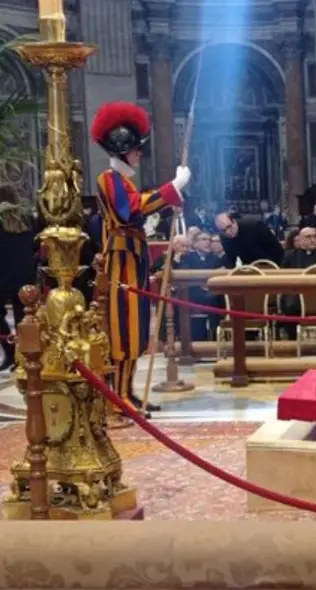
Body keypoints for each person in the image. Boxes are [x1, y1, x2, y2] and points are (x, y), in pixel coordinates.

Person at [90, 101, 191, 418]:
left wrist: (168, 201)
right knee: (124, 332)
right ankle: (118, 396)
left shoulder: (125, 181)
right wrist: (171, 188)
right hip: (120, 264)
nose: (139, 154)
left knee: (135, 332)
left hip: (132, 263)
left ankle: (127, 393)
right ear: (121, 151)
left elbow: (137, 203)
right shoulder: (109, 179)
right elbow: (129, 210)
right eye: (134, 150)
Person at [0, 184, 38, 372]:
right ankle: (24, 357)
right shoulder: (28, 219)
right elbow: (36, 246)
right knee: (24, 318)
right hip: (25, 275)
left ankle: (9, 352)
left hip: (2, 275)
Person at [214, 212, 284, 268]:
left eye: (229, 227)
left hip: (272, 264)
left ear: (234, 222)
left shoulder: (255, 226)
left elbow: (276, 249)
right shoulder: (224, 237)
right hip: (249, 269)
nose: (228, 232)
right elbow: (231, 259)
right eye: (223, 230)